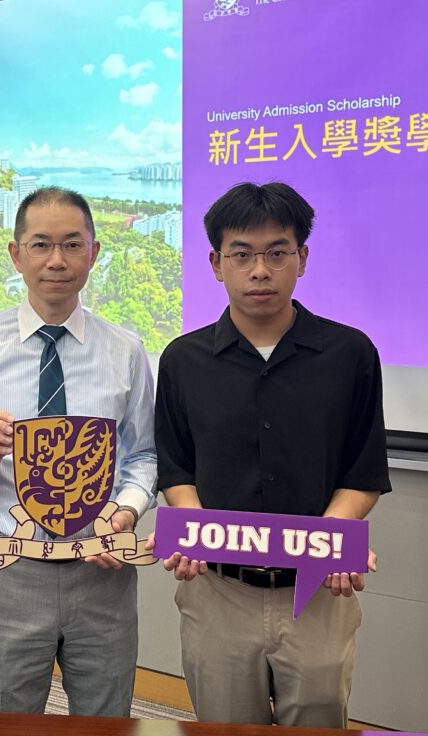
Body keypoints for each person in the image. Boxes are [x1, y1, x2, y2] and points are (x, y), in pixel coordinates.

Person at [153, 181, 390, 727]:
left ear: (301, 258)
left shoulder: (350, 354)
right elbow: (177, 465)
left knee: (318, 722)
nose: (260, 270)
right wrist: (191, 528)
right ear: (216, 263)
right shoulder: (184, 360)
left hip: (316, 594)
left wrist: (333, 536)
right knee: (224, 724)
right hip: (217, 587)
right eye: (242, 254)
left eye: (277, 252)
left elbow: (364, 469)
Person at [0, 186, 157, 716]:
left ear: (94, 252)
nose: (56, 260)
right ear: (16, 254)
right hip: (10, 567)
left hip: (101, 566)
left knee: (106, 719)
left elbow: (144, 455)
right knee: (8, 719)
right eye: (40, 245)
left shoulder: (126, 350)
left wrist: (124, 512)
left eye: (72, 245)